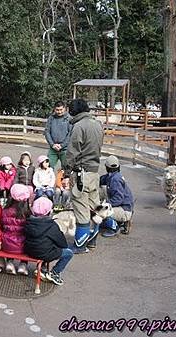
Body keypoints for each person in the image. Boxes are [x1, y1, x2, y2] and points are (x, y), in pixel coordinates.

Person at [65, 99, 104, 252]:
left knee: (81, 208)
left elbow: (72, 151)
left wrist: (67, 171)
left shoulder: (79, 126)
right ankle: (92, 241)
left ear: (74, 111)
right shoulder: (97, 124)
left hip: (81, 173)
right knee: (94, 207)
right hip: (94, 172)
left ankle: (80, 245)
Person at [25, 197, 73, 286]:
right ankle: (54, 273)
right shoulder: (52, 225)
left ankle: (42, 269)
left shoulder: (28, 222)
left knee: (43, 244)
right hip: (44, 253)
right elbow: (62, 243)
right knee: (68, 253)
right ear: (49, 211)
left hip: (29, 250)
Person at [1, 184, 32, 275]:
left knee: (8, 234)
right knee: (27, 238)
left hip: (7, 244)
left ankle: (10, 263)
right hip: (22, 246)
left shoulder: (5, 210)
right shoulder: (27, 212)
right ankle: (23, 264)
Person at [100, 156, 134, 237]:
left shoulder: (115, 179)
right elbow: (102, 179)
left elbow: (118, 199)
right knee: (102, 189)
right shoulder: (114, 176)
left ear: (106, 167)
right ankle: (119, 221)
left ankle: (115, 228)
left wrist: (104, 204)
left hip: (125, 210)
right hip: (126, 207)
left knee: (100, 211)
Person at [44, 101, 73, 170]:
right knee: (47, 167)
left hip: (65, 149)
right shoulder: (51, 118)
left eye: (61, 110)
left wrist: (62, 145)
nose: (59, 112)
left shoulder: (69, 119)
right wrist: (52, 144)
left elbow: (70, 133)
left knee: (66, 168)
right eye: (57, 110)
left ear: (65, 109)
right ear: (54, 109)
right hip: (53, 147)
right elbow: (47, 131)